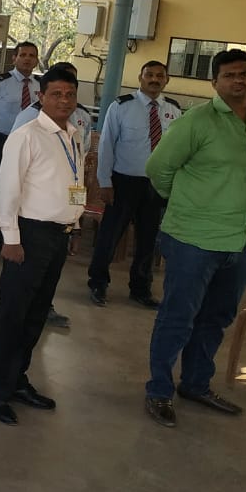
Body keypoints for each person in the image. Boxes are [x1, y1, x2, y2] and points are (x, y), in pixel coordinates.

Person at [142, 48, 246, 428]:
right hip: (193, 240)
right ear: (215, 82)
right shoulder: (196, 121)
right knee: (178, 317)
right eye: (230, 75)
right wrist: (187, 204)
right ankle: (159, 390)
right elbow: (158, 168)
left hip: (242, 242)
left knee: (217, 318)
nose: (239, 80)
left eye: (245, 73)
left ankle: (196, 384)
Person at [0, 67, 84, 426]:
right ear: (41, 97)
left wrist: (74, 225)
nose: (64, 101)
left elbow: (73, 183)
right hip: (29, 235)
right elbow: (7, 189)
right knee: (13, 314)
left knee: (37, 313)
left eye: (70, 94)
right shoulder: (26, 135)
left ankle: (17, 380)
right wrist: (10, 238)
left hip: (58, 234)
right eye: (56, 94)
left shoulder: (73, 135)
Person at [88, 60, 180, 308]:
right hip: (124, 182)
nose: (154, 79)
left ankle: (140, 288)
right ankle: (98, 283)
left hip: (157, 185)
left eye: (159, 75)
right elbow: (106, 145)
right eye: (149, 74)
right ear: (140, 77)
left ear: (166, 80)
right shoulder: (121, 106)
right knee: (110, 235)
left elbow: (177, 149)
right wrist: (104, 182)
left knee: (148, 239)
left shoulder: (173, 110)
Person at [0, 42, 40, 254]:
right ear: (14, 58)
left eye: (32, 55)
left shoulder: (40, 86)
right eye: (23, 55)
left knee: (17, 190)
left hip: (27, 143)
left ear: (37, 60)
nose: (27, 59)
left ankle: (4, 240)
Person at [11, 62, 93, 148]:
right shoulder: (29, 116)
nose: (64, 100)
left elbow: (84, 148)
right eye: (57, 94)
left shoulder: (82, 115)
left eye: (71, 79)